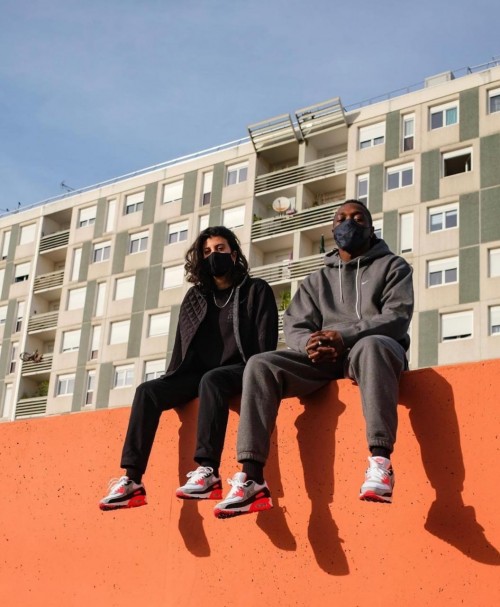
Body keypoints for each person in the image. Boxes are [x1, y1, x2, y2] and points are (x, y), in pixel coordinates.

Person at [214, 200, 414, 519]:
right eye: (341, 219)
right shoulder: (317, 280)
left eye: (357, 218)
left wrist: (344, 336)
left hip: (372, 351)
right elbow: (295, 324)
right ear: (333, 230)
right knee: (261, 364)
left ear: (371, 228)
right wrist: (310, 344)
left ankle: (381, 463)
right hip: (325, 359)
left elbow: (397, 316)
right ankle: (252, 478)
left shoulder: (393, 266)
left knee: (371, 345)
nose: (348, 223)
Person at [99, 226, 278, 510]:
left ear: (234, 254)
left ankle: (208, 472)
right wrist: (171, 379)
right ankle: (132, 481)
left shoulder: (256, 290)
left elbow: (265, 344)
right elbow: (181, 345)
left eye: (220, 249)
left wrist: (258, 375)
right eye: (206, 252)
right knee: (147, 391)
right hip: (197, 375)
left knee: (212, 379)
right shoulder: (196, 296)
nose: (213, 255)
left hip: (242, 369)